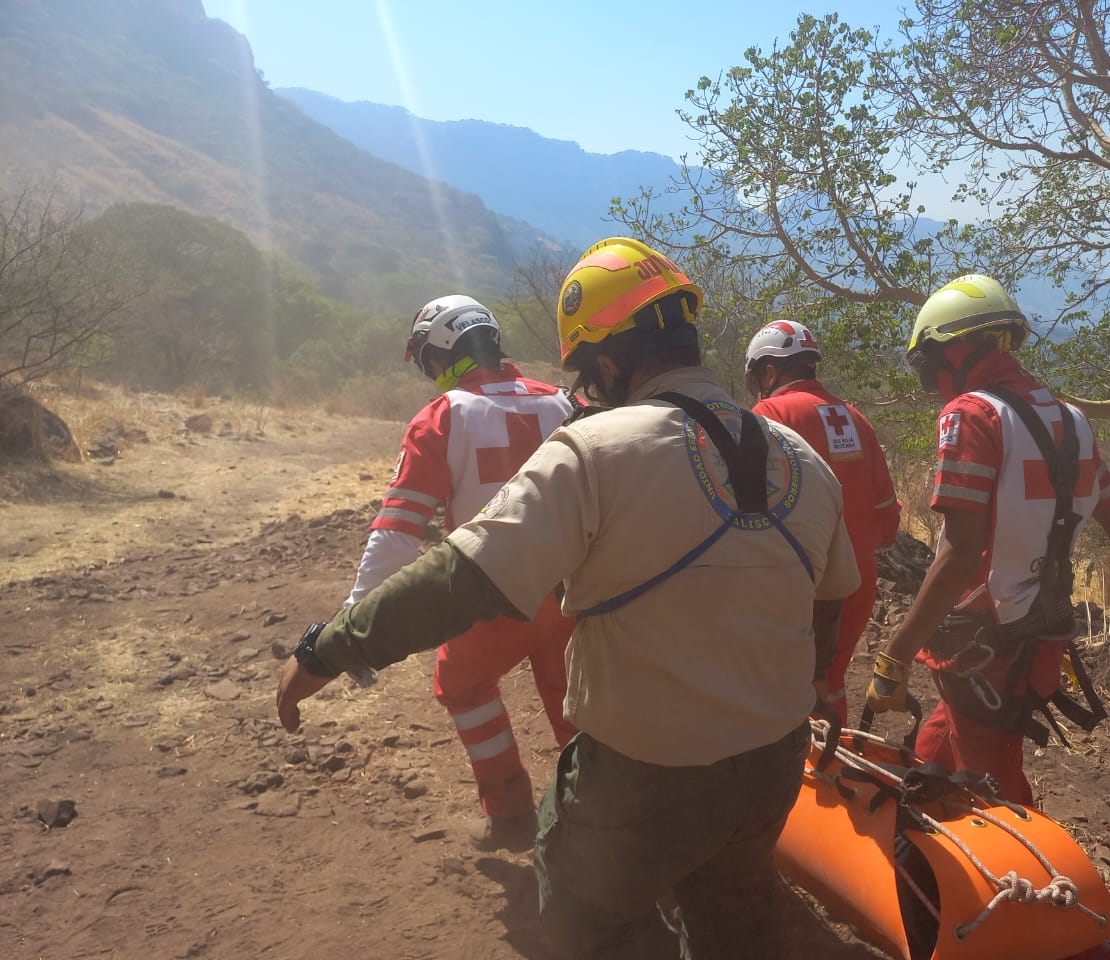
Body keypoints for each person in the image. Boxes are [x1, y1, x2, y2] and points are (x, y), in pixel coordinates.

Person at [277, 237, 860, 960]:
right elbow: (829, 606)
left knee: (589, 915)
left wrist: (325, 650)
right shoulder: (804, 461)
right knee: (731, 912)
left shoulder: (593, 451)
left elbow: (458, 580)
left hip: (648, 774)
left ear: (610, 362)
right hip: (774, 761)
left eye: (590, 368)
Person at [864, 274, 1110, 810]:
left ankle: (1025, 887)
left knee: (994, 799)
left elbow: (961, 552)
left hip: (982, 641)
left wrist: (893, 656)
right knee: (940, 749)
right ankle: (919, 840)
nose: (932, 385)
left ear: (957, 350)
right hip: (1040, 633)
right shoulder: (1073, 422)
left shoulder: (971, 416)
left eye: (927, 366)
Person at [345, 293, 576, 851]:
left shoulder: (444, 415)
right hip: (572, 590)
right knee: (576, 701)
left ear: (441, 352)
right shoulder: (565, 402)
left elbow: (398, 530)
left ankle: (509, 810)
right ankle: (598, 814)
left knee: (463, 684)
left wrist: (358, 616)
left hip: (491, 591)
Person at [746, 321, 901, 724]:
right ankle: (834, 771)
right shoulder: (856, 419)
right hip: (857, 580)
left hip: (801, 583)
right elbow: (888, 519)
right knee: (828, 685)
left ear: (769, 372)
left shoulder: (770, 414)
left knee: (780, 691)